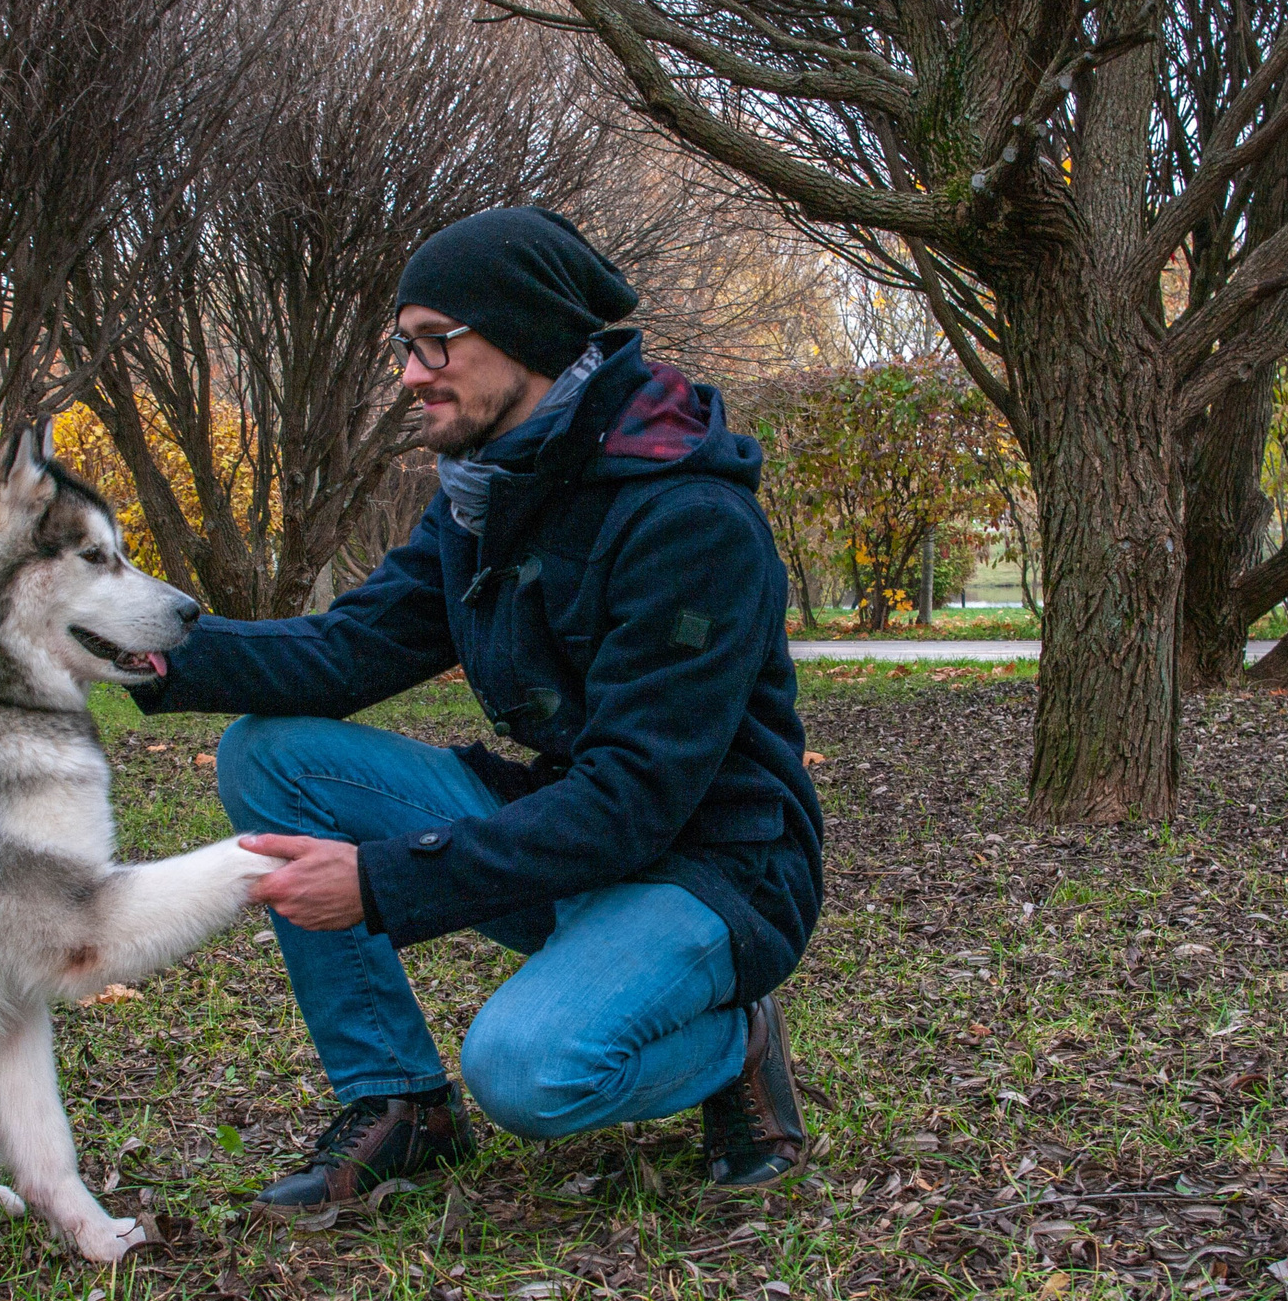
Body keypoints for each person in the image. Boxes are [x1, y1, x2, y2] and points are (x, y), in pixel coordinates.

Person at [133, 206, 822, 1211]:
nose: (411, 375)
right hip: (569, 830)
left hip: (713, 868)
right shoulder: (486, 495)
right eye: (404, 347)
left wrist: (378, 880)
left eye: (434, 343)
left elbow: (635, 798)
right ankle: (401, 1103)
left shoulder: (688, 517)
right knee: (271, 757)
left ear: (525, 335)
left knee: (529, 1073)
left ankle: (737, 1040)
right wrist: (132, 648)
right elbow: (344, 651)